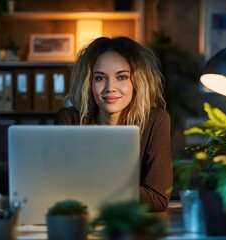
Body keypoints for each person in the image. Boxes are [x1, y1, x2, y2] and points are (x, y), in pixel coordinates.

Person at [53, 36, 173, 212]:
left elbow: (157, 199)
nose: (110, 87)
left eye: (122, 77)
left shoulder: (155, 120)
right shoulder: (69, 121)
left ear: (136, 82)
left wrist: (89, 183)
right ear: (89, 83)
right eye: (100, 78)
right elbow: (55, 191)